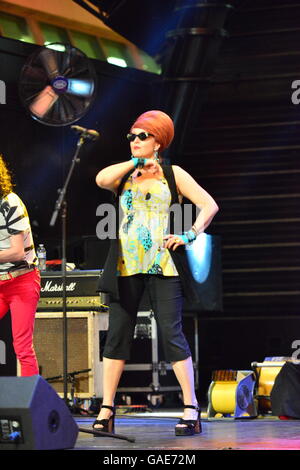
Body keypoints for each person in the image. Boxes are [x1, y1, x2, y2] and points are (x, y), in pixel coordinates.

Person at [95, 110, 219, 436]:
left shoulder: (172, 174)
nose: (134, 142)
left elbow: (209, 205)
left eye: (142, 137)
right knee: (118, 334)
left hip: (162, 265)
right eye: (131, 137)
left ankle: (191, 407)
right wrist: (136, 163)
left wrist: (189, 234)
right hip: (125, 266)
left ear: (157, 141)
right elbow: (101, 179)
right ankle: (107, 409)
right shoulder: (124, 175)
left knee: (171, 333)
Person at [0, 154, 40, 376]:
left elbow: (17, 252)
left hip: (21, 281)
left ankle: (32, 406)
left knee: (22, 347)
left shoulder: (10, 202)